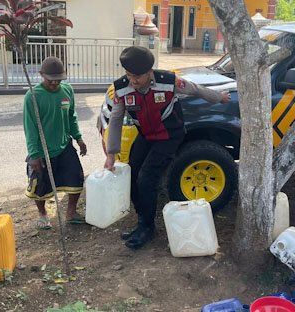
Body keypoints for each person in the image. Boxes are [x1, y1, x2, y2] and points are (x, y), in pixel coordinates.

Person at [103, 46, 230, 250]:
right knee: (132, 175)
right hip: (146, 135)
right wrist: (111, 154)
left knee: (147, 178)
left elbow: (195, 89)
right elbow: (116, 119)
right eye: (129, 75)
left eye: (138, 76)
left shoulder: (168, 81)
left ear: (150, 72)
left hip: (170, 135)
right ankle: (141, 221)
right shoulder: (121, 88)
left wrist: (219, 97)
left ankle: (147, 227)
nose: (133, 81)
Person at [23, 56, 88, 229]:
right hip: (43, 150)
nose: (54, 83)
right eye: (51, 80)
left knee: (77, 178)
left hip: (64, 146)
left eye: (58, 80)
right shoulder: (32, 96)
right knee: (40, 186)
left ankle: (71, 212)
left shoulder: (67, 90)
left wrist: (79, 138)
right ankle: (43, 214)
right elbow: (30, 128)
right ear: (41, 74)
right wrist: (34, 155)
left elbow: (71, 116)